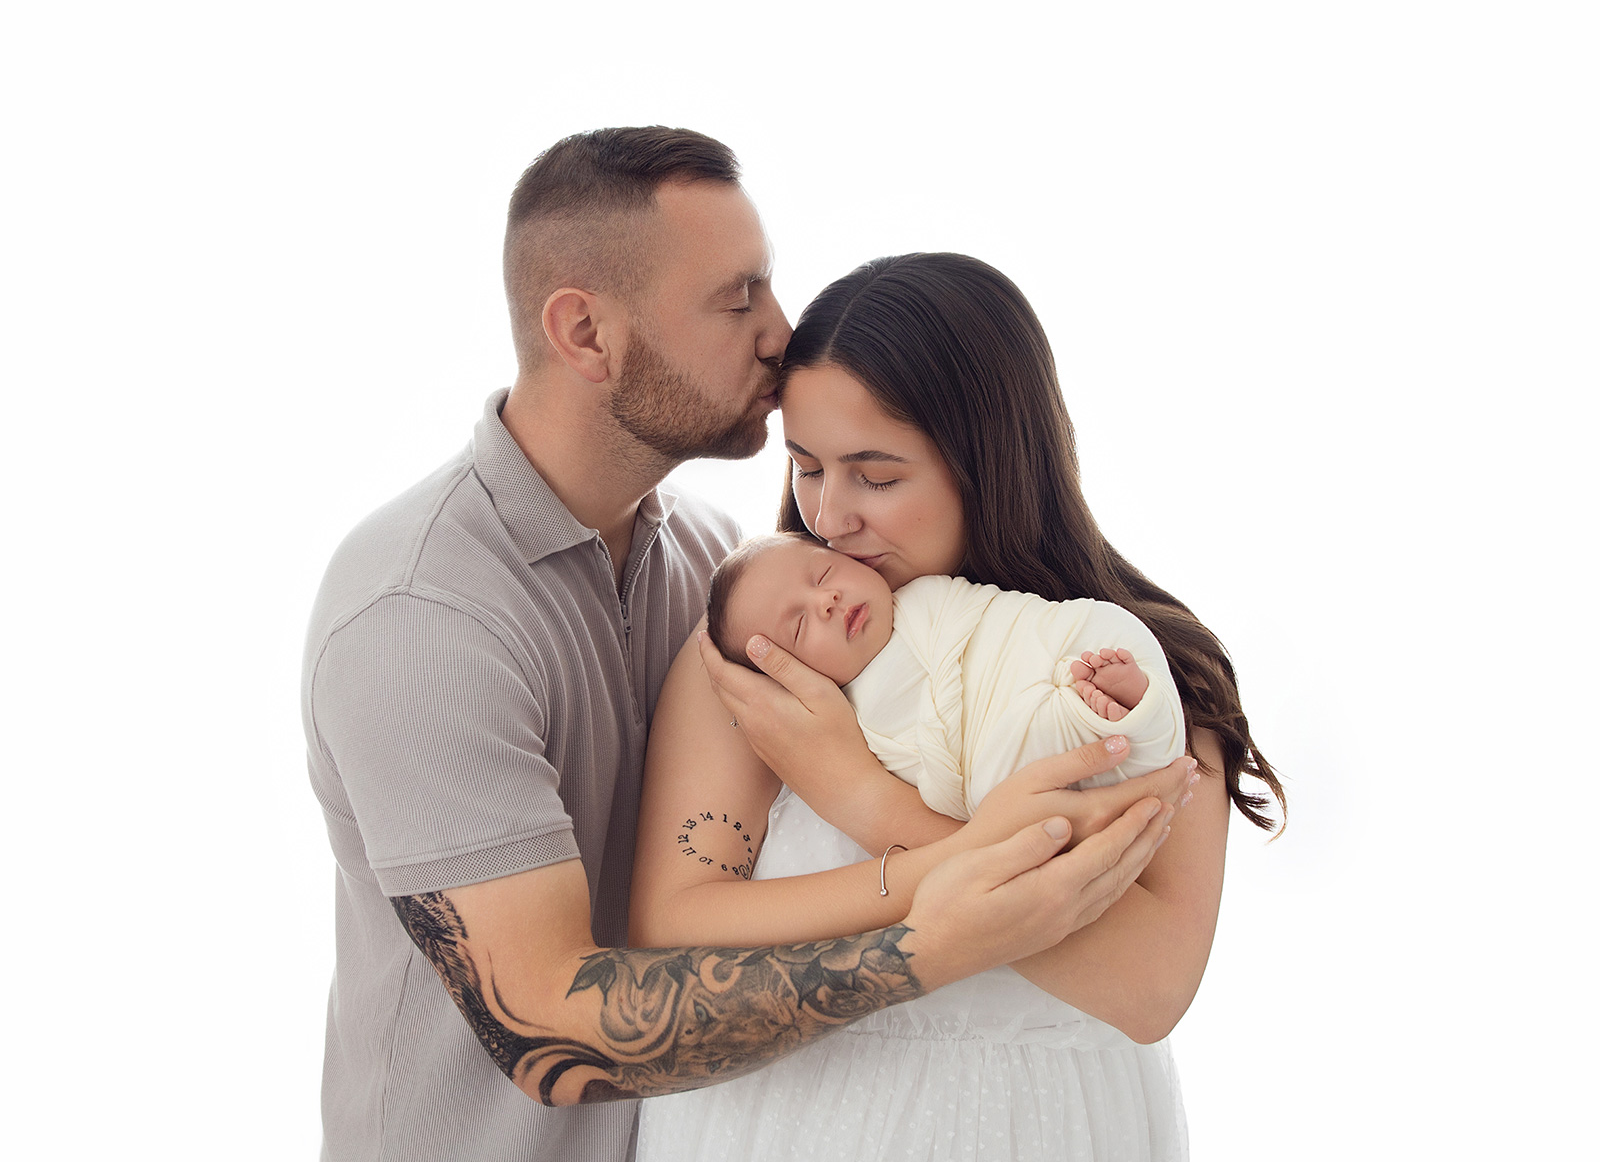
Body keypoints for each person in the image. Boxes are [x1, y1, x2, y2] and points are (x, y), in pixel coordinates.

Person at [302, 131, 1189, 1162]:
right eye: (738, 298)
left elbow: (1152, 976)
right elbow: (544, 1020)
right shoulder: (421, 616)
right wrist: (929, 933)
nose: (780, 330)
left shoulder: (732, 575)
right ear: (586, 333)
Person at [631, 253, 1286, 1161]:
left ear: (990, 457)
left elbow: (1148, 987)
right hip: (786, 1123)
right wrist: (966, 865)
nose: (830, 518)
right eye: (807, 466)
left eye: (877, 475)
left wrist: (866, 799)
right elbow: (672, 924)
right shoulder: (772, 640)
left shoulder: (1128, 673)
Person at [705, 531, 1187, 818]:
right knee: (997, 787)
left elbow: (1006, 618)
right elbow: (939, 781)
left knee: (1097, 623)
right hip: (999, 745)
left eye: (824, 574)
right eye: (800, 625)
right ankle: (1097, 714)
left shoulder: (926, 596)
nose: (826, 602)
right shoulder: (854, 720)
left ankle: (1125, 700)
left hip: (1036, 650)